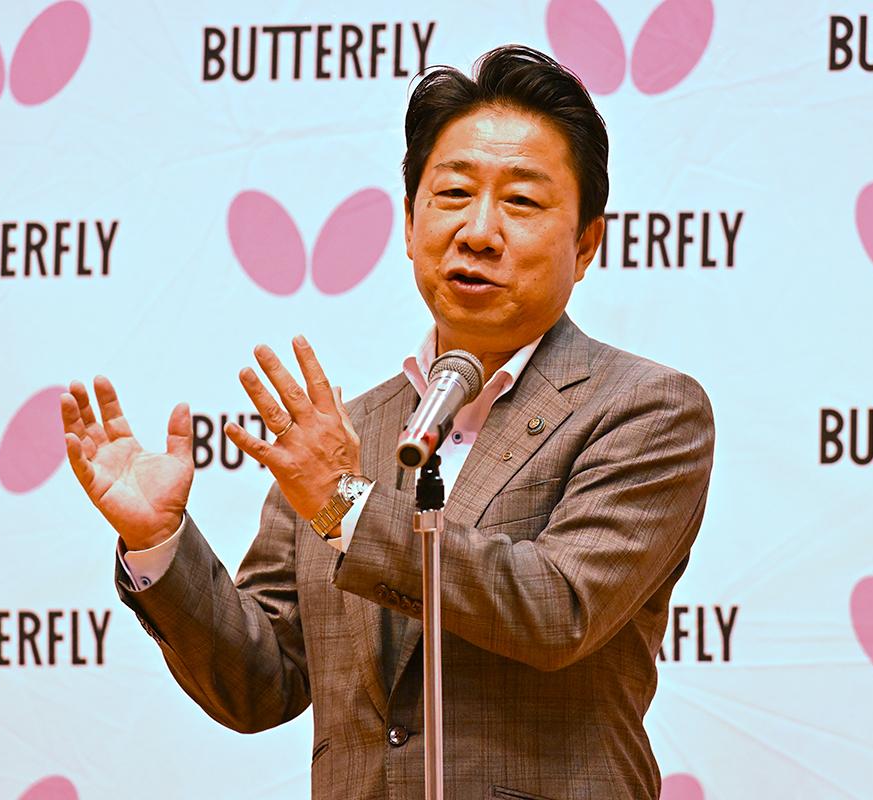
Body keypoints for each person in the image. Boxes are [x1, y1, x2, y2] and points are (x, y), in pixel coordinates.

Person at [61, 45, 714, 800]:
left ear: (587, 243)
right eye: (453, 193)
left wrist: (345, 504)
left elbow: (556, 609)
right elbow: (261, 683)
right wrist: (160, 542)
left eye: (522, 202)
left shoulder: (645, 408)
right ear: (408, 224)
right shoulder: (345, 435)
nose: (478, 231)